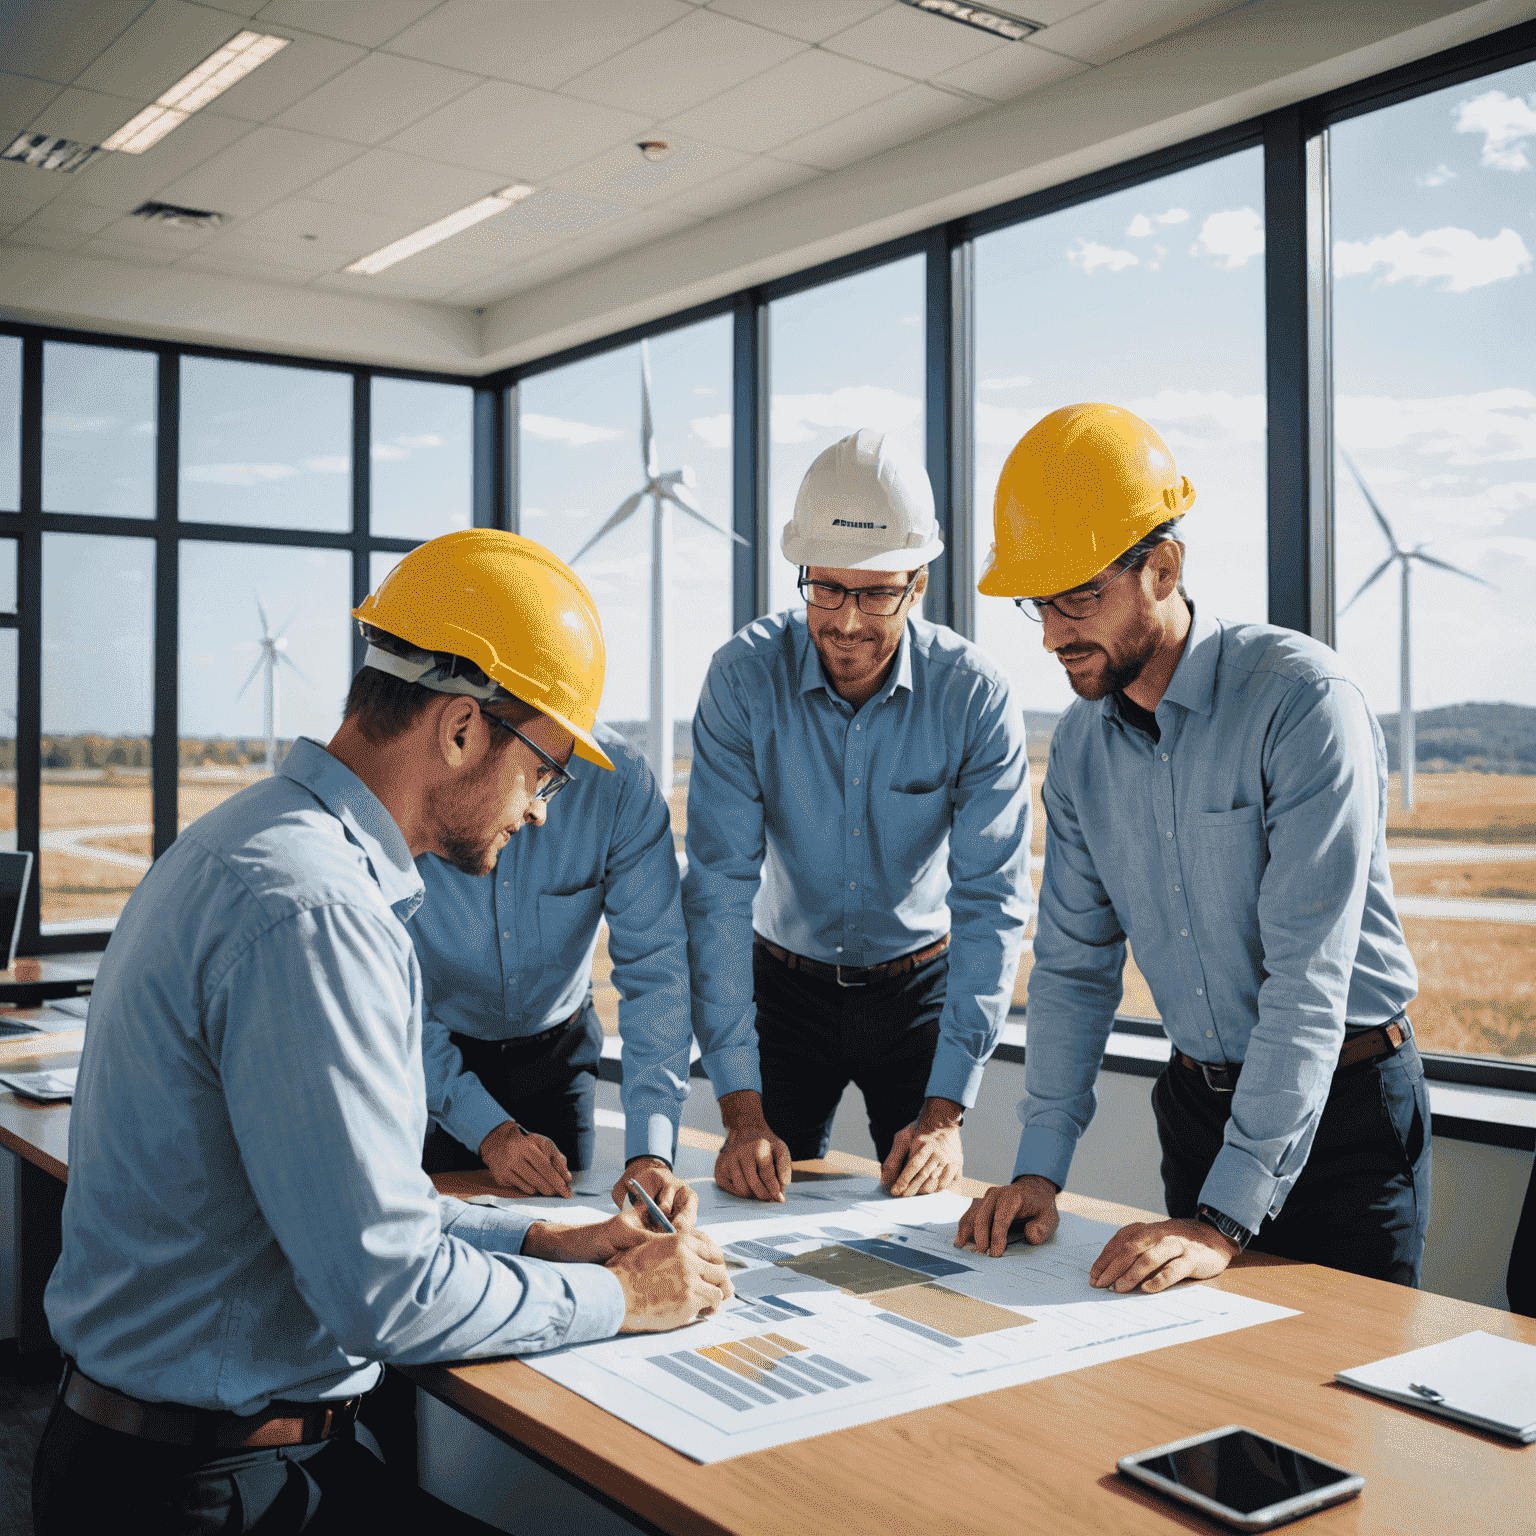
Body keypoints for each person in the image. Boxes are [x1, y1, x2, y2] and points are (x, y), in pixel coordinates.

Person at [34, 531, 732, 1534]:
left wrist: (549, 1235)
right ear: (459, 729)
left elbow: (353, 1206)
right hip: (205, 1494)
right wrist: (628, 1300)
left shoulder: (251, 846)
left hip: (178, 1455)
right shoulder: (317, 913)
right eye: (544, 768)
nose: (540, 812)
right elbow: (389, 1292)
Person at [957, 402, 1429, 1292]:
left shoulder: (1302, 704)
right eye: (1038, 605)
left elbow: (1307, 978)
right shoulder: (1084, 751)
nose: (1054, 634)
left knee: (1333, 1419)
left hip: (1346, 1114)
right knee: (1208, 1418)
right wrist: (1037, 1169)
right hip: (1197, 1110)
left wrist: (1222, 1217)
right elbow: (1072, 967)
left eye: (1079, 598)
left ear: (1163, 568)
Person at [683, 429, 1032, 1202]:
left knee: (922, 1218)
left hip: (919, 999)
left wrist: (947, 1115)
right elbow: (716, 892)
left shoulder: (972, 696)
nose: (846, 622)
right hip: (782, 992)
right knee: (753, 1206)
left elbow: (993, 906)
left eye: (876, 593)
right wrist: (739, 1112)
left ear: (919, 585)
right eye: (827, 589)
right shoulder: (742, 680)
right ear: (802, 573)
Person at [413, 711, 698, 1226]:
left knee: (569, 1232)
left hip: (557, 1053)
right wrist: (489, 1131)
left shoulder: (619, 783)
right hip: (430, 1060)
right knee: (444, 1232)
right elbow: (396, 1000)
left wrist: (651, 1154)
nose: (539, 811)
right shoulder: (423, 782)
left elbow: (655, 971)